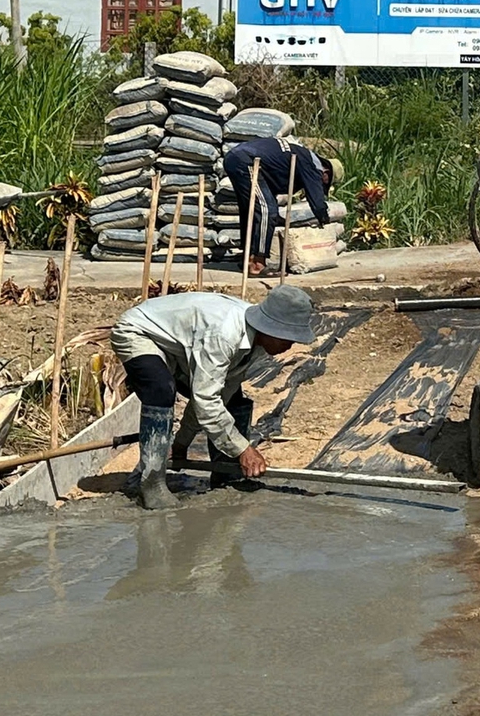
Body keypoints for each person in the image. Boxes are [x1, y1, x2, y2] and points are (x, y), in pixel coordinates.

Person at [109, 284, 317, 509]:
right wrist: (243, 449)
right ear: (271, 328)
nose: (290, 345)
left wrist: (181, 443)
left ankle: (226, 473)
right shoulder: (223, 333)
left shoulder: (256, 343)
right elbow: (205, 401)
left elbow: (219, 395)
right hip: (139, 332)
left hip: (178, 346)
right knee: (160, 389)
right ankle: (152, 484)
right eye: (287, 338)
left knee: (234, 399)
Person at [224, 134, 339, 277]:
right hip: (246, 161)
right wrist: (324, 220)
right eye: (325, 183)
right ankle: (256, 265)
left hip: (235, 158)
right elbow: (317, 201)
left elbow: (270, 183)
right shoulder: (313, 166)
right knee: (268, 211)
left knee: (252, 210)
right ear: (326, 172)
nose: (322, 185)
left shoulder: (300, 155)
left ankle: (248, 258)